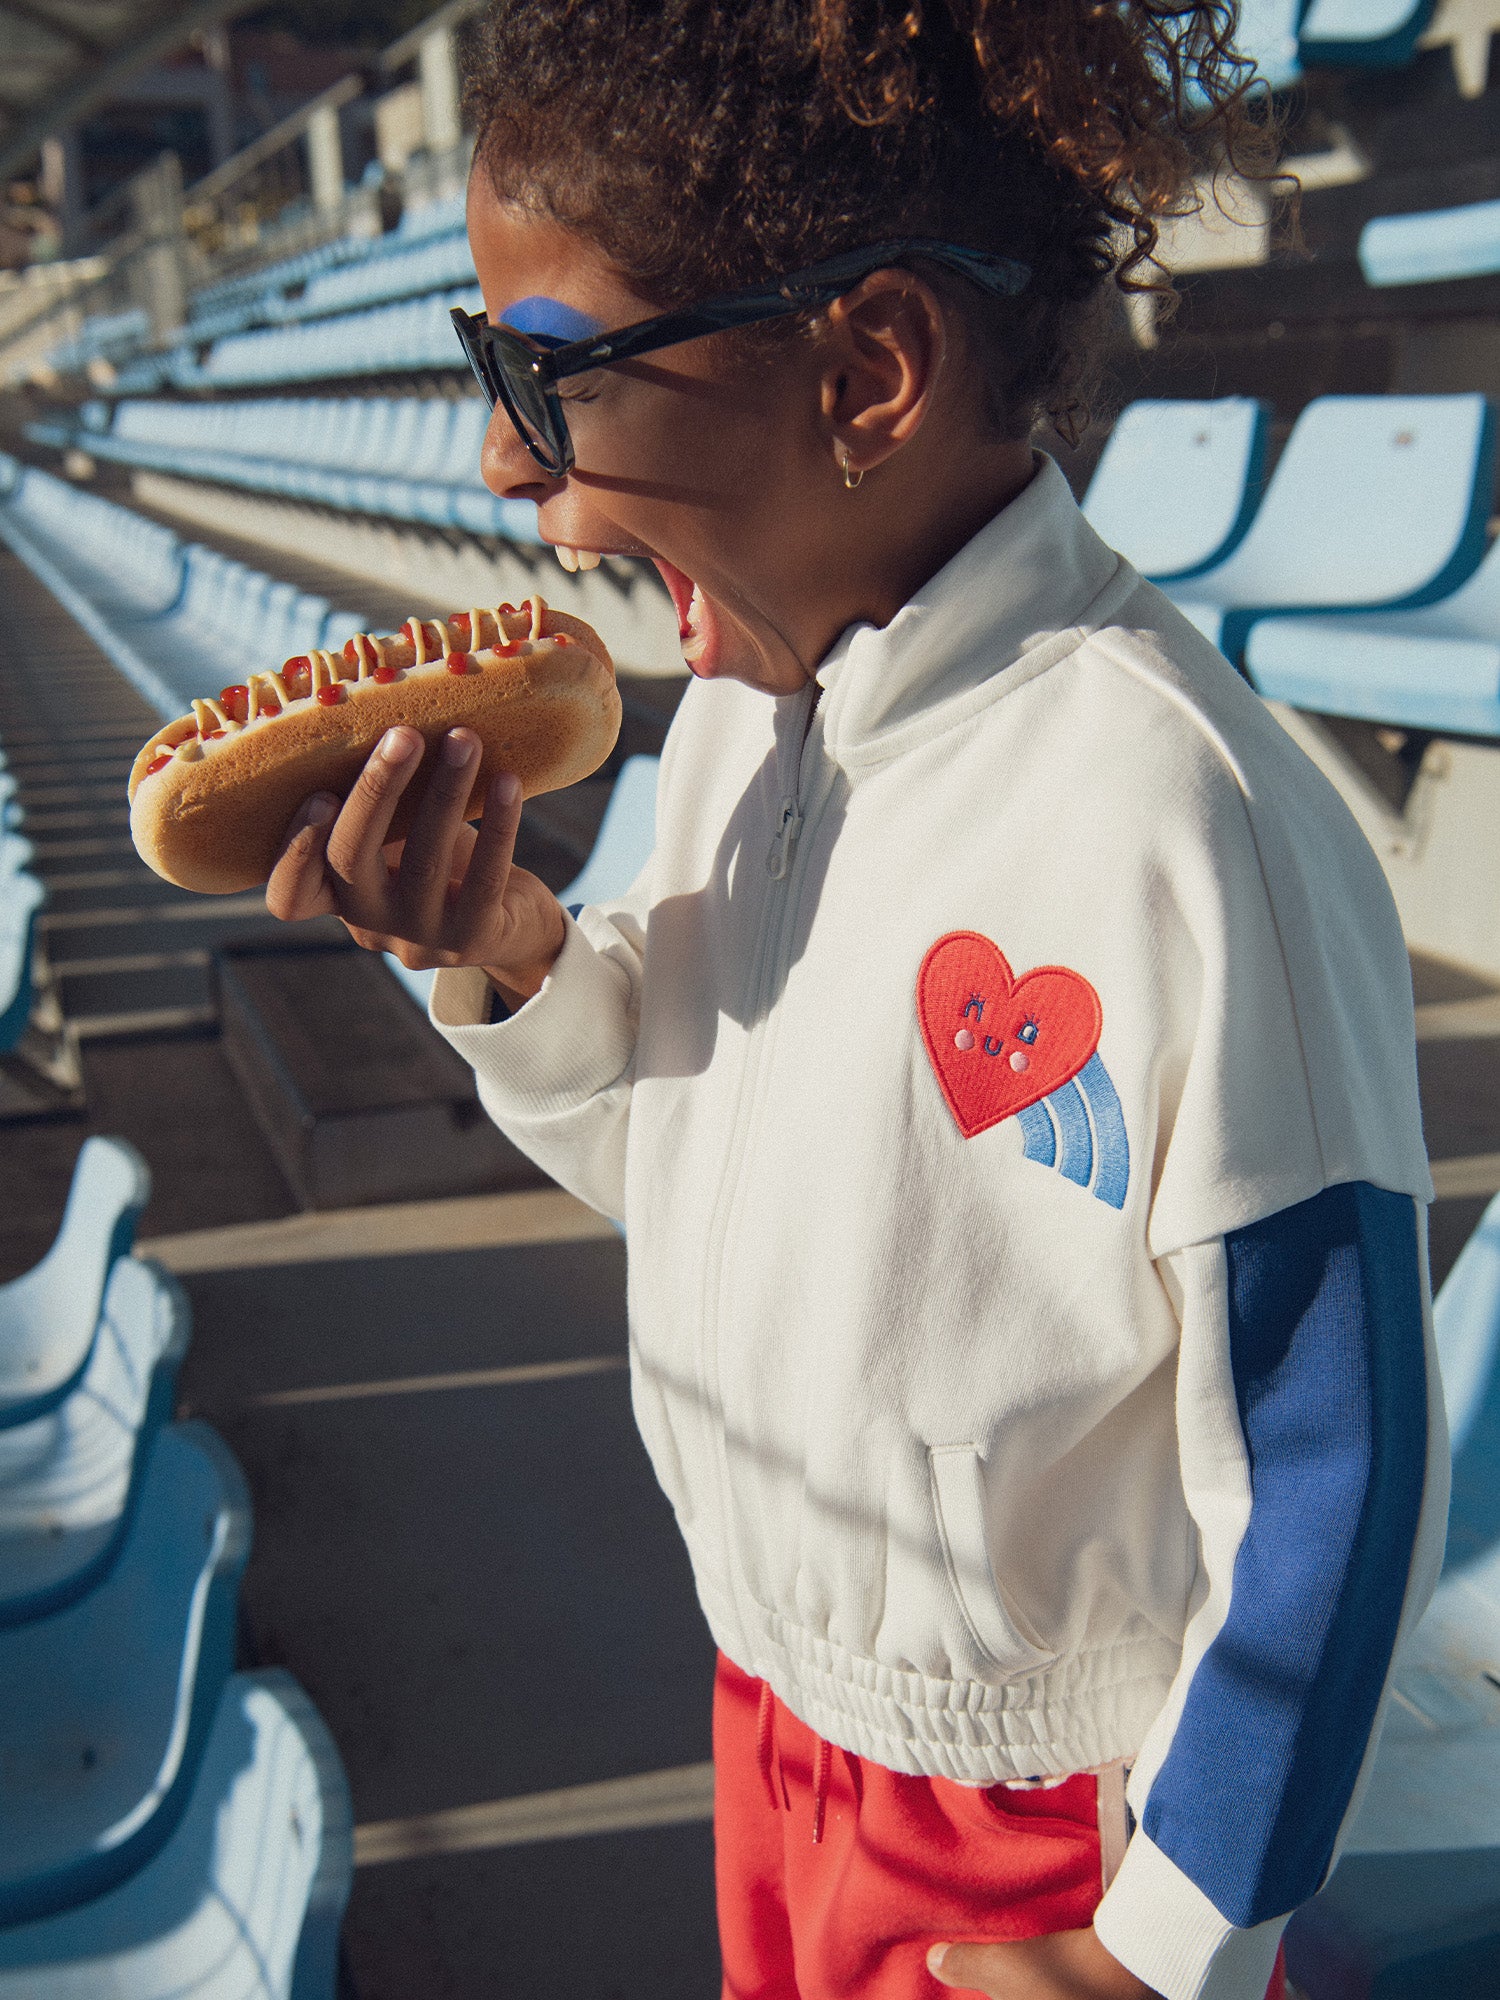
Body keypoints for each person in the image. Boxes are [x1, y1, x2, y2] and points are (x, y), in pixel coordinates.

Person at [266, 4, 1449, 1996]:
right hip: (773, 1728)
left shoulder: (1177, 811)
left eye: (544, 378)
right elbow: (702, 1168)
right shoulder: (746, 724)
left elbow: (1335, 1454)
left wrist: (1156, 1945)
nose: (504, 471)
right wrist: (510, 961)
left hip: (1052, 1841)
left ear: (868, 372)